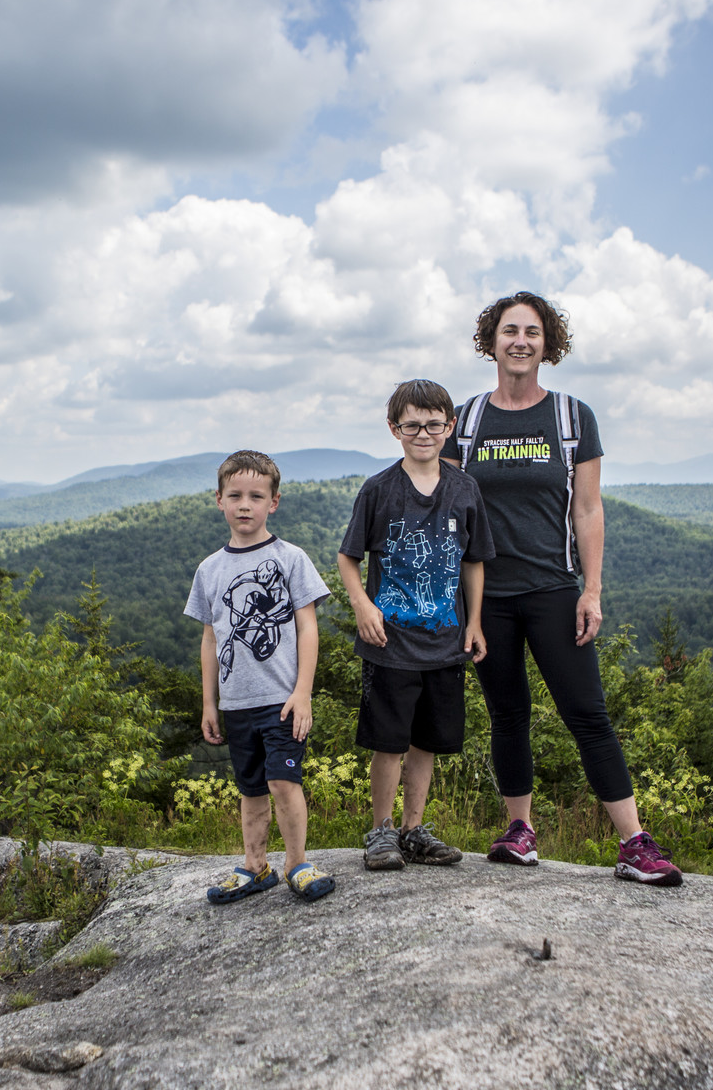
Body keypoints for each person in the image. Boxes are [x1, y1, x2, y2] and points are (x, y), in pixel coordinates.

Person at [442, 291, 682, 887]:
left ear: (548, 343)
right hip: (485, 596)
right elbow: (444, 509)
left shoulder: (574, 418)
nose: (519, 341)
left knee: (587, 714)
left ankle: (634, 842)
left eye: (531, 331)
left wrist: (591, 590)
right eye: (508, 331)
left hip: (553, 588)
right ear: (489, 342)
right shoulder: (466, 422)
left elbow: (589, 510)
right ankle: (519, 832)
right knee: (508, 715)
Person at [337, 380, 495, 872]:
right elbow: (348, 558)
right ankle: (381, 831)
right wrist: (363, 604)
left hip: (445, 642)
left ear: (449, 427)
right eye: (412, 425)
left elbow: (473, 562)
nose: (423, 433)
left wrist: (475, 622)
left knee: (426, 740)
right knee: (388, 741)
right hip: (390, 644)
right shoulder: (380, 490)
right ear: (394, 429)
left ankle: (413, 829)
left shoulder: (465, 489)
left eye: (433, 424)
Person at [187, 450, 337, 903]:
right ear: (219, 501)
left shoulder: (291, 559)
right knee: (250, 787)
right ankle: (255, 866)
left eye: (257, 495)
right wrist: (210, 702)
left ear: (274, 501)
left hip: (282, 699)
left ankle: (297, 865)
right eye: (235, 495)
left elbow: (308, 626)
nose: (245, 505)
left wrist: (303, 693)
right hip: (236, 704)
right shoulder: (210, 570)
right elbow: (211, 640)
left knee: (283, 781)